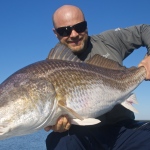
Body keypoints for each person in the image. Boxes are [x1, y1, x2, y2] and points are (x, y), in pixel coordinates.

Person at [45, 5, 150, 150]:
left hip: (124, 130)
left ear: (87, 25)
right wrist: (56, 124)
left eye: (80, 27)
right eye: (65, 31)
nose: (74, 34)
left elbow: (145, 29)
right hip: (81, 136)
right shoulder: (50, 68)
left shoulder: (109, 40)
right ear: (55, 33)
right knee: (59, 142)